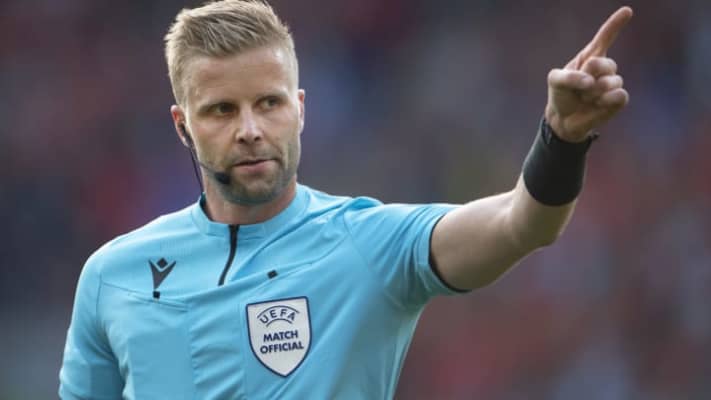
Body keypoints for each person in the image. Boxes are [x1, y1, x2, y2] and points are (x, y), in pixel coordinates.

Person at [59, 1, 633, 398]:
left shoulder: (370, 244)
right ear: (183, 126)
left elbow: (523, 223)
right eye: (222, 110)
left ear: (300, 110)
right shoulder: (113, 276)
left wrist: (561, 139)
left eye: (269, 103)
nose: (250, 129)